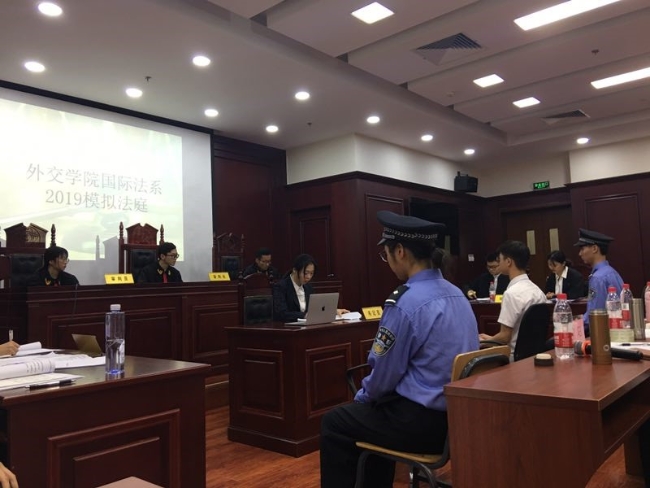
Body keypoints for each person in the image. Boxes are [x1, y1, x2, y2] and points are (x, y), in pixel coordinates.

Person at [320, 211, 479, 488]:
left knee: (335, 422)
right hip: (456, 419)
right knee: (372, 416)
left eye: (386, 255)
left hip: (420, 424)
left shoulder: (405, 302)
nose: (388, 262)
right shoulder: (457, 294)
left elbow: (383, 376)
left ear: (400, 251)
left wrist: (362, 397)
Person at [478, 240, 546, 353]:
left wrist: (482, 342)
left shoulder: (511, 294)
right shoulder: (538, 291)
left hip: (514, 356)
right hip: (535, 354)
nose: (498, 263)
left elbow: (505, 337)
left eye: (500, 260)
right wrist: (491, 339)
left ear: (508, 261)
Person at [574, 228, 623, 335]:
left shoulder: (597, 278)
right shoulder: (612, 272)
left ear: (594, 248)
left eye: (582, 248)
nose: (580, 253)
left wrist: (573, 326)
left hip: (603, 333)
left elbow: (595, 315)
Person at [272, 254, 349, 322]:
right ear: (295, 270)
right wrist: (305, 315)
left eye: (311, 273)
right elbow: (282, 314)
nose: (308, 277)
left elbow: (316, 308)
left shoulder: (308, 287)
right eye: (305, 273)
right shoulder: (281, 287)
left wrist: (332, 311)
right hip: (287, 329)